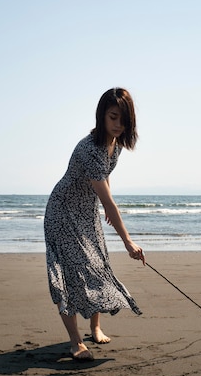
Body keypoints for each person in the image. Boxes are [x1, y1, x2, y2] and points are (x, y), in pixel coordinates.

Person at [44, 87, 145, 361]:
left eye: (123, 120)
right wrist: (128, 241)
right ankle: (76, 342)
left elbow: (105, 176)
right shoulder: (89, 149)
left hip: (86, 210)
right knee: (69, 274)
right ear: (102, 115)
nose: (118, 125)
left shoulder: (117, 145)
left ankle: (95, 327)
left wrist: (104, 202)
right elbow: (109, 199)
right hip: (63, 212)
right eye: (113, 117)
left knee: (97, 265)